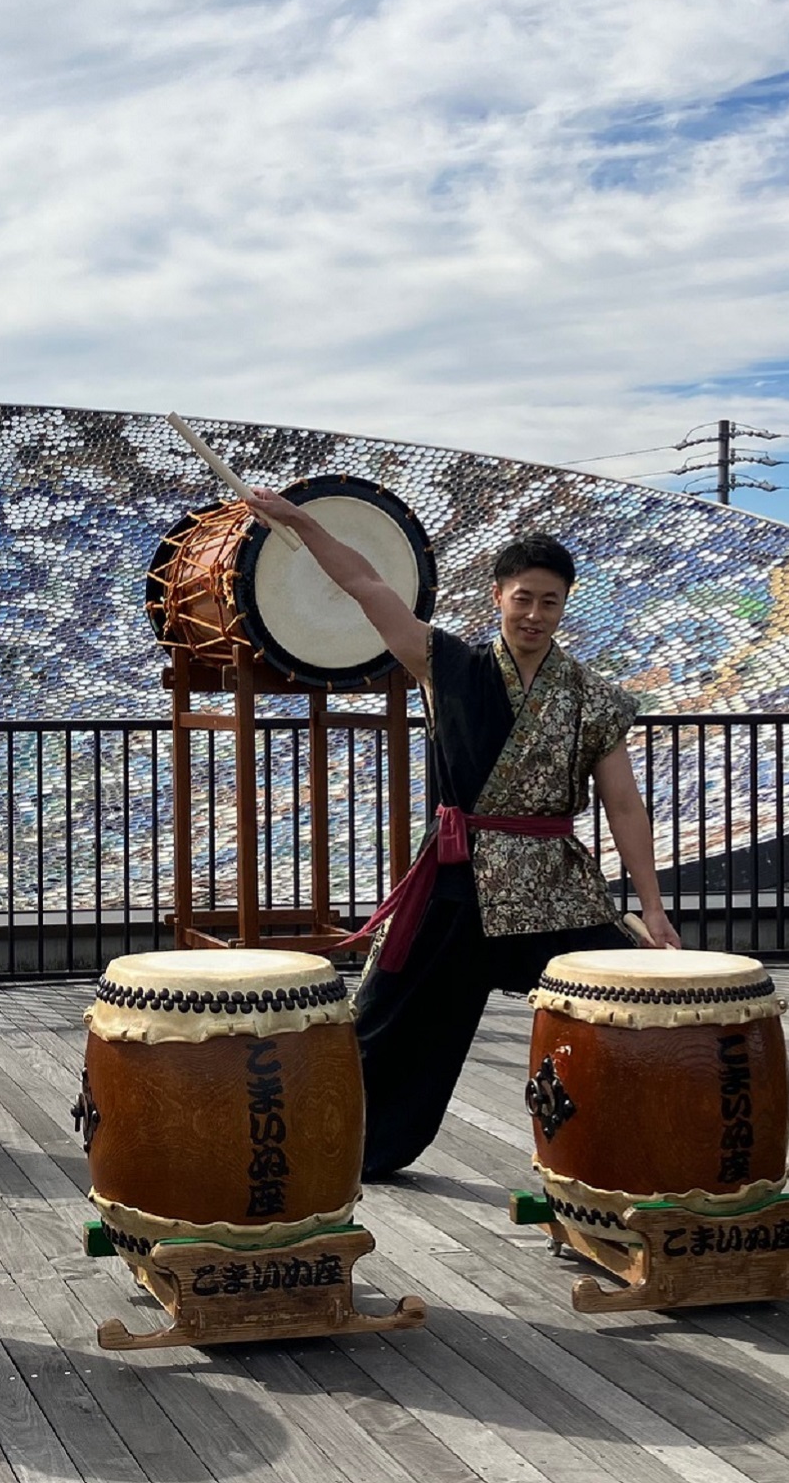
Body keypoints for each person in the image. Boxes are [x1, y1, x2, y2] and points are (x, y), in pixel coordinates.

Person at [241, 495, 678, 1177]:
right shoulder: (444, 663)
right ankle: (323, 1149)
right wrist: (299, 524)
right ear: (498, 596)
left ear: (566, 606)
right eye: (523, 599)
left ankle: (647, 1147)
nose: (533, 615)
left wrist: (650, 908)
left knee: (637, 1000)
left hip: (555, 890)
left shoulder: (593, 698)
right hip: (456, 884)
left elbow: (623, 804)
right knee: (384, 1023)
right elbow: (366, 585)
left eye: (550, 603)